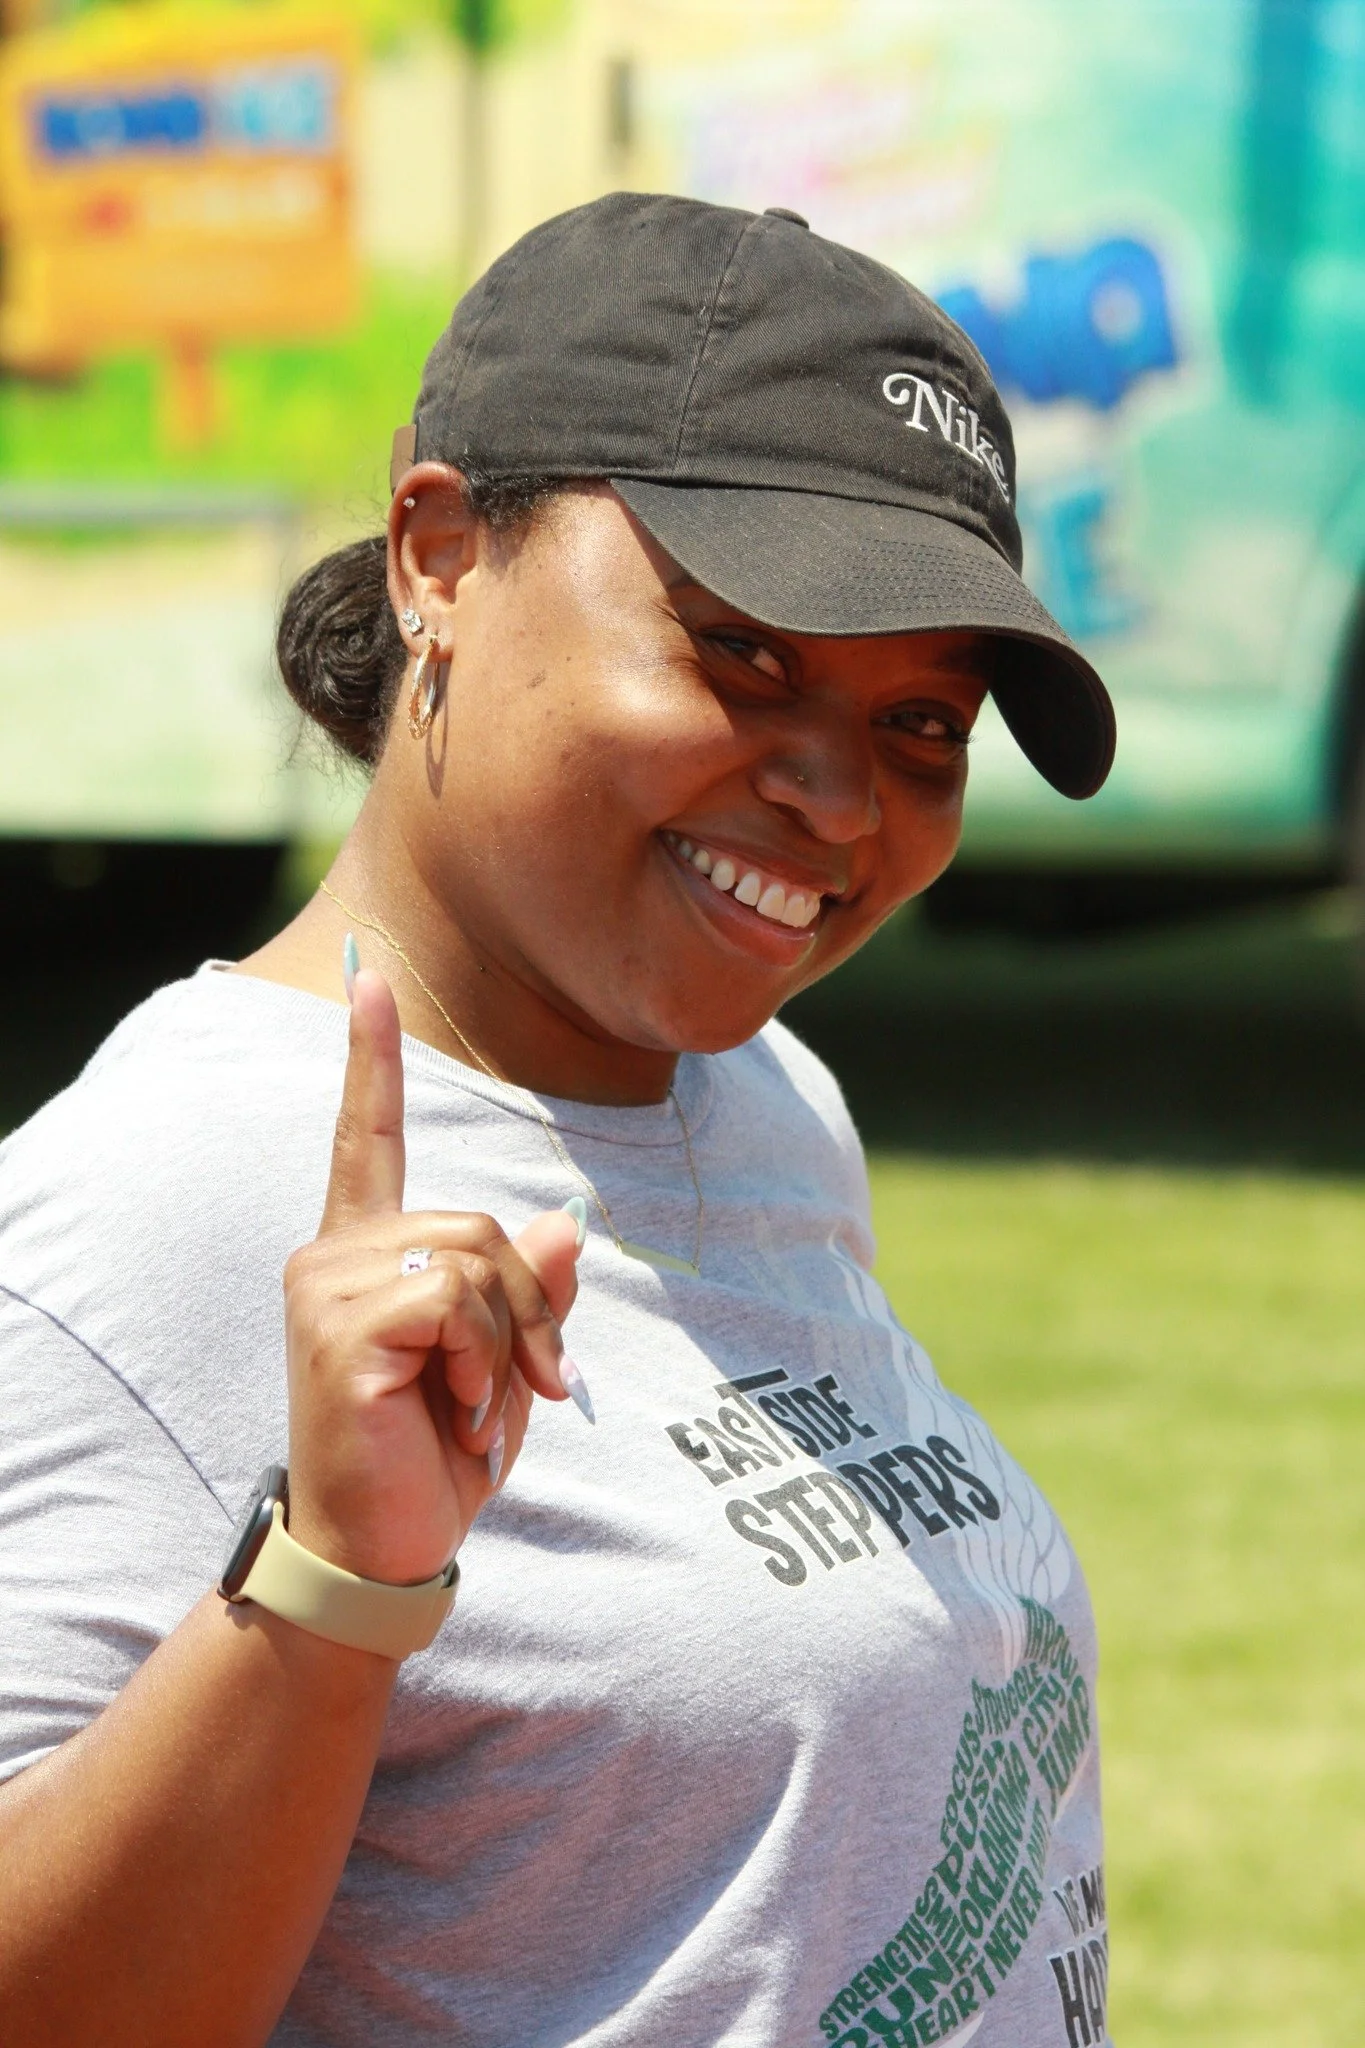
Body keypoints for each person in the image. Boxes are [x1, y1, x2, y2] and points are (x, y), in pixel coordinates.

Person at [0, 195, 1116, 2048]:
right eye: (746, 653)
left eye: (927, 722)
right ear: (438, 556)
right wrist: (337, 1585)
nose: (843, 802)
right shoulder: (152, 1213)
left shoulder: (758, 1100)